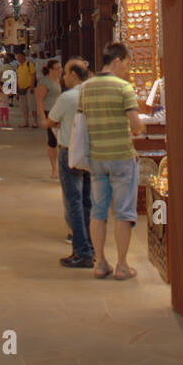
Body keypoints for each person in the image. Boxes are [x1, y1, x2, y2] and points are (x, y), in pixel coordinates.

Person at [79, 41, 144, 281]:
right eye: (127, 64)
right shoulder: (123, 88)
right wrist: (138, 127)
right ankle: (122, 265)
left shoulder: (86, 88)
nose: (128, 69)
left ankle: (100, 263)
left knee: (98, 211)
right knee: (124, 212)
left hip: (97, 158)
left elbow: (82, 119)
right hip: (121, 158)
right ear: (116, 61)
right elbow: (136, 126)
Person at [44, 58, 94, 268]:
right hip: (90, 153)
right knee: (86, 202)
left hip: (70, 151)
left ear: (74, 74)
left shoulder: (68, 97)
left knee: (72, 202)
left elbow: (50, 121)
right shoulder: (93, 94)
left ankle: (81, 251)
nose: (63, 77)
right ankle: (88, 247)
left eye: (65, 73)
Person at [35, 58, 63, 179]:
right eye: (57, 69)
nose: (59, 71)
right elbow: (39, 101)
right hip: (49, 112)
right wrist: (42, 118)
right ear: (50, 69)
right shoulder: (44, 82)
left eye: (60, 68)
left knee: (61, 140)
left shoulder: (59, 81)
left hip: (59, 113)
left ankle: (59, 167)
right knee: (52, 141)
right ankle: (54, 168)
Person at [14, 49, 36, 128]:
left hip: (29, 88)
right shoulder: (19, 66)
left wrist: (32, 87)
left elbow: (33, 75)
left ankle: (35, 122)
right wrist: (16, 88)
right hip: (21, 90)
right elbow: (17, 77)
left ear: (23, 56)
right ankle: (26, 121)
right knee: (23, 106)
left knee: (32, 105)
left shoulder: (29, 64)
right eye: (17, 57)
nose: (18, 59)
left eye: (19, 57)